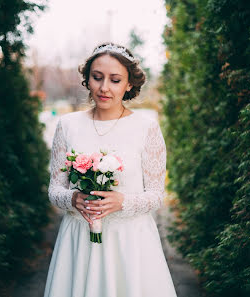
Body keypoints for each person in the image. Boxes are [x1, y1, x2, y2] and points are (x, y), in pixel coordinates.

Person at [44, 42, 177, 297]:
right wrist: (73, 198)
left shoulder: (146, 128)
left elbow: (156, 194)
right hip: (79, 240)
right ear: (87, 80)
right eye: (97, 78)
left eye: (115, 80)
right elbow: (54, 189)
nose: (104, 88)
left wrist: (122, 202)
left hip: (131, 243)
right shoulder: (67, 125)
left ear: (129, 85)